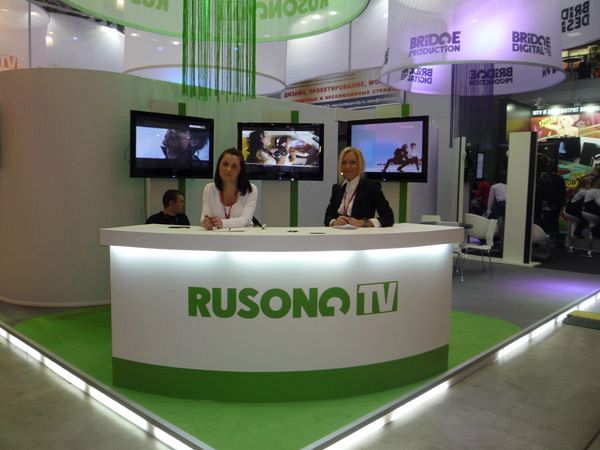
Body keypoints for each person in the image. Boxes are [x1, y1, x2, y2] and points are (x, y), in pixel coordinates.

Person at [324, 147, 394, 227]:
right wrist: (334, 222)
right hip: (338, 233)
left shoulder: (371, 187)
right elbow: (328, 216)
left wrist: (363, 223)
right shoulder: (337, 188)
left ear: (360, 165)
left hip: (361, 234)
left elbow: (388, 218)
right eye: (344, 163)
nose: (347, 166)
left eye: (352, 162)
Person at [201, 148, 257, 229]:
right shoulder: (209, 188)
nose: (228, 169)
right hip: (216, 235)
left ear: (240, 170)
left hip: (244, 235)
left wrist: (222, 223)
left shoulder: (251, 190)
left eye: (234, 166)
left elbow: (245, 220)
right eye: (225, 164)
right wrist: (206, 223)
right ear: (218, 166)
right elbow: (205, 216)